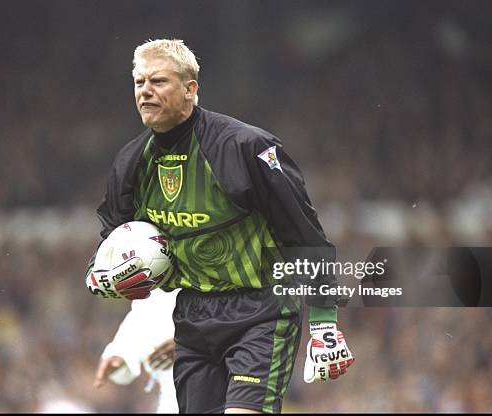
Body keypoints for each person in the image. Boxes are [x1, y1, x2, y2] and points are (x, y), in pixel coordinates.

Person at [85, 38, 354, 413]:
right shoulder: (131, 163)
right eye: (139, 82)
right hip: (193, 318)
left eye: (158, 81)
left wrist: (324, 321)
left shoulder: (246, 147)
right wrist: (101, 276)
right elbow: (112, 239)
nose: (145, 91)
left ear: (190, 89)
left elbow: (302, 233)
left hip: (261, 308)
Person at [93, 289, 179, 413]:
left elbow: (214, 299)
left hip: (212, 388)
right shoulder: (151, 276)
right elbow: (148, 306)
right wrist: (122, 348)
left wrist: (190, 340)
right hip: (172, 396)